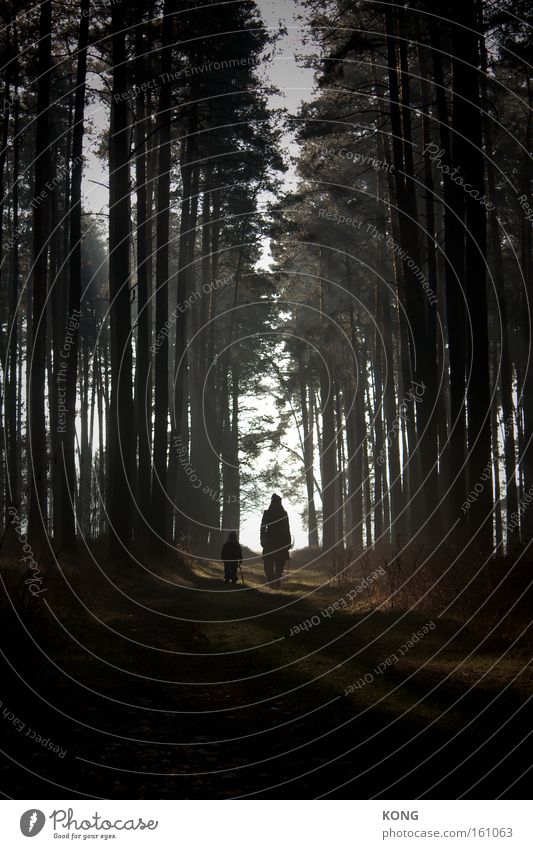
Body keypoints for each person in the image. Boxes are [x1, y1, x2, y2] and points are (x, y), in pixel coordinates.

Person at [260, 494, 292, 588]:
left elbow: (287, 528)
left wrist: (262, 539)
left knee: (275, 564)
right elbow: (287, 528)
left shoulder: (278, 513)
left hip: (274, 541)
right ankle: (273, 581)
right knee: (273, 564)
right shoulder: (279, 513)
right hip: (276, 541)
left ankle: (274, 581)